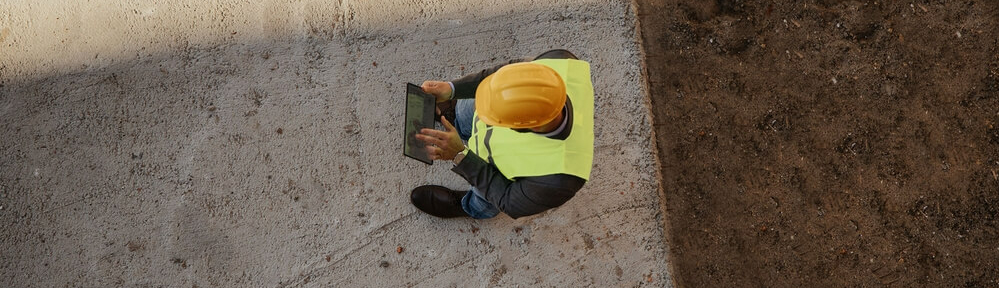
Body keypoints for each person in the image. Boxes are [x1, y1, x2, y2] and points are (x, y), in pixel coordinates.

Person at [411, 49, 594, 219]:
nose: (481, 114)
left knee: (485, 197)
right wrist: (453, 89)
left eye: (491, 117)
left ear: (527, 127)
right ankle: (457, 119)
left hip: (494, 179)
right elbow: (505, 74)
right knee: (469, 108)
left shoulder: (558, 181)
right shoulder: (559, 62)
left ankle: (471, 207)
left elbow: (507, 199)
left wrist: (460, 156)